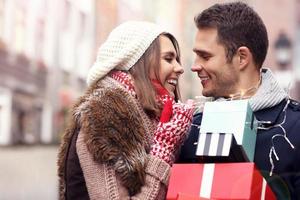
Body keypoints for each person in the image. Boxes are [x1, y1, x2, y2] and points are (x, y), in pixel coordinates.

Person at [57, 21, 194, 200]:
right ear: (137, 62)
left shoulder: (149, 115)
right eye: (168, 59)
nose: (179, 68)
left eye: (177, 59)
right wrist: (165, 148)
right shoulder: (105, 116)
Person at [178, 2, 300, 199]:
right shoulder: (189, 128)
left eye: (205, 56)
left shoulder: (295, 128)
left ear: (242, 57)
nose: (194, 66)